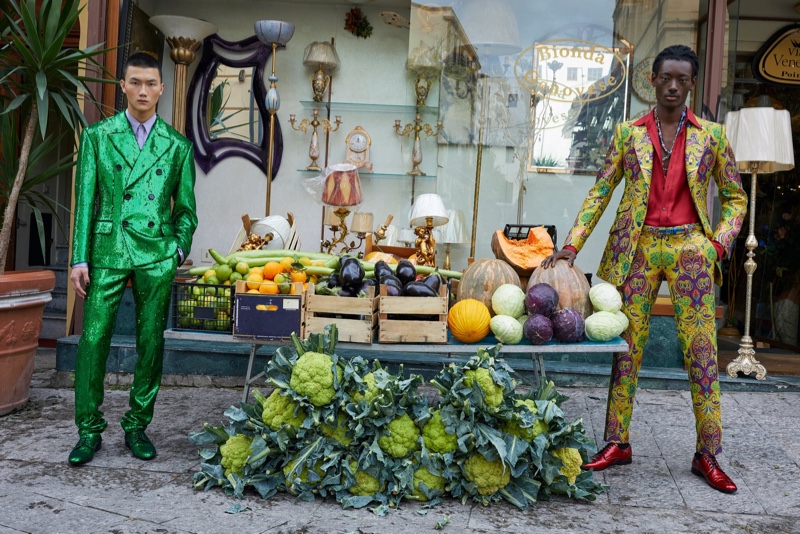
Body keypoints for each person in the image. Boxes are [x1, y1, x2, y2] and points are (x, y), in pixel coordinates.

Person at [541, 45, 747, 494]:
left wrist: (717, 245)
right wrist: (572, 245)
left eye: (682, 79)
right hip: (635, 249)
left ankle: (707, 453)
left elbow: (735, 198)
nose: (673, 86)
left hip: (692, 247)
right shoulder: (626, 134)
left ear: (692, 84)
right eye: (666, 77)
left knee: (702, 352)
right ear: (651, 80)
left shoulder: (711, 136)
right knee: (625, 347)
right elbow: (600, 192)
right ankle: (618, 441)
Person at [68, 52, 198, 465]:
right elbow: (85, 201)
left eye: (150, 83)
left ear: (162, 89)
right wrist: (77, 258)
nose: (143, 90)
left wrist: (176, 250)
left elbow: (187, 211)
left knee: (150, 343)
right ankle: (88, 430)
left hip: (155, 253)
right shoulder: (98, 137)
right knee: (92, 341)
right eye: (135, 82)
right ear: (123, 86)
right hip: (107, 250)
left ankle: (137, 426)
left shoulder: (178, 146)